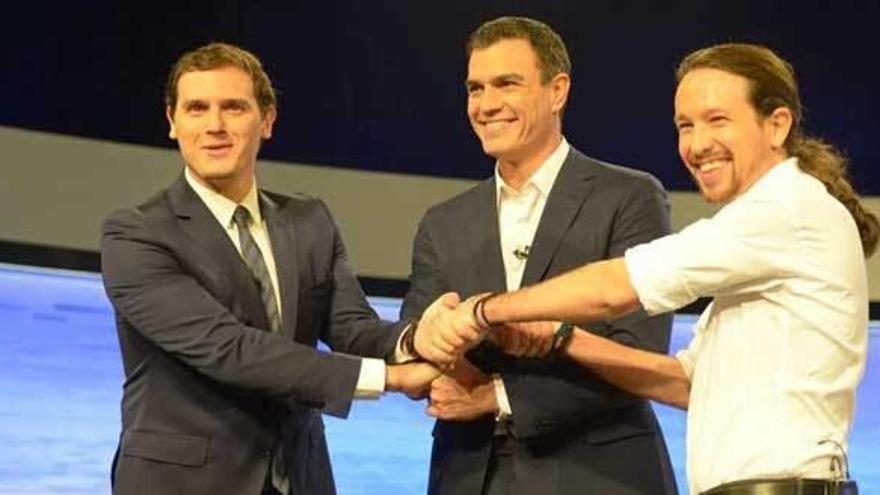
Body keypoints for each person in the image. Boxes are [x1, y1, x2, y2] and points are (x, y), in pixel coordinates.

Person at [442, 43, 879, 495]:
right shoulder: (765, 233)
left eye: (718, 120)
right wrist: (563, 335)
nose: (697, 144)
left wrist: (488, 310)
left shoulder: (787, 208)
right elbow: (688, 384)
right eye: (684, 126)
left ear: (777, 125)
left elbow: (618, 286)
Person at [100, 42, 443, 495]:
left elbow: (351, 327)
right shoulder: (136, 234)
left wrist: (417, 339)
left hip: (301, 478)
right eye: (197, 108)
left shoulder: (309, 219)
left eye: (234, 107)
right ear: (172, 122)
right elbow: (229, 349)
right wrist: (392, 378)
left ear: (267, 120)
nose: (215, 126)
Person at [400, 16, 677, 495]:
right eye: (475, 88)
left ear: (558, 91)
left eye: (506, 84)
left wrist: (499, 396)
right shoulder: (443, 222)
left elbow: (637, 350)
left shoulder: (629, 197)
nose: (486, 105)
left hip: (599, 475)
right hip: (469, 476)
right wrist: (431, 349)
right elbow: (419, 337)